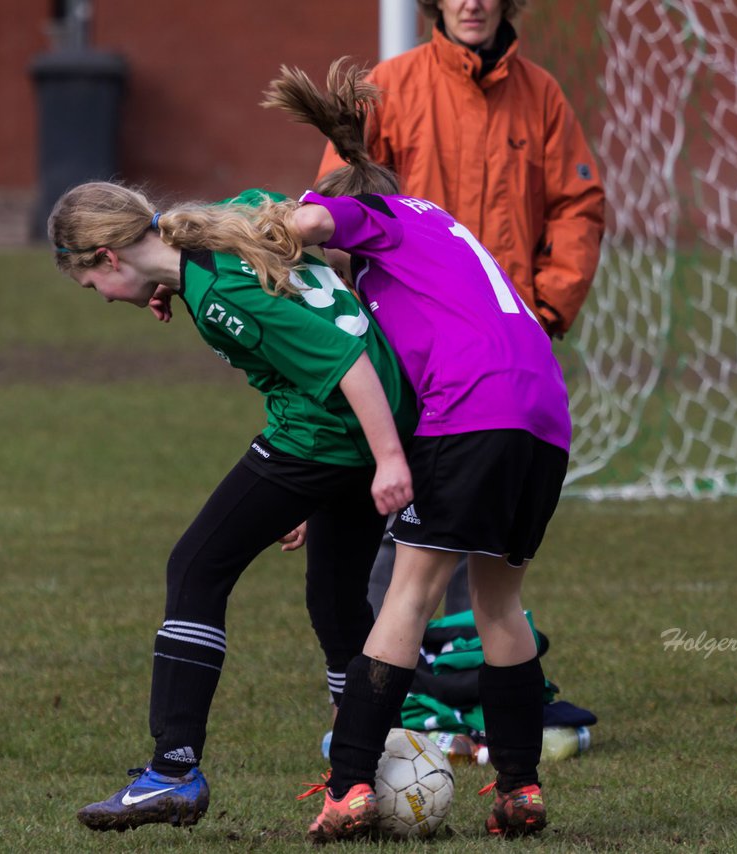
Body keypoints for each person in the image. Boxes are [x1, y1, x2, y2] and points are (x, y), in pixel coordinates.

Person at [47, 182, 418, 831]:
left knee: (196, 567)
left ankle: (173, 771)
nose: (103, 301)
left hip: (333, 433)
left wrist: (387, 461)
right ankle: (363, 757)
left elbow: (341, 358)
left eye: (92, 286)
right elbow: (299, 243)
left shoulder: (218, 296)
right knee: (334, 596)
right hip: (363, 427)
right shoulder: (232, 222)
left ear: (109, 258)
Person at [268, 60, 570, 841]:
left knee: (407, 596)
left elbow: (311, 225)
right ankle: (520, 788)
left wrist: (229, 239)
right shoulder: (443, 232)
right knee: (499, 601)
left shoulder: (382, 219)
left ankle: (350, 787)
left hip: (475, 413)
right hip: (542, 417)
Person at [318, 0, 605, 616]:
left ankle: (463, 681)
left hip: (500, 351)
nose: (471, 2)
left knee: (492, 540)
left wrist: (544, 310)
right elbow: (336, 209)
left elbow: (577, 205)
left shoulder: (542, 94)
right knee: (409, 521)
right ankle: (394, 683)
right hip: (410, 345)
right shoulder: (392, 85)